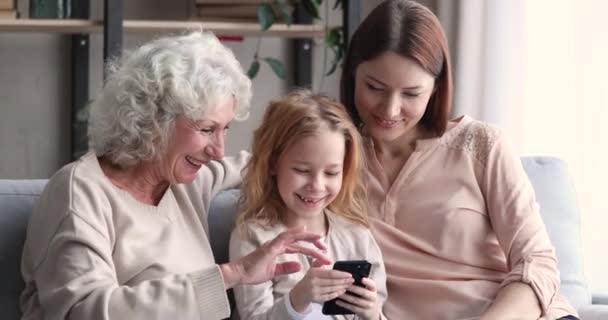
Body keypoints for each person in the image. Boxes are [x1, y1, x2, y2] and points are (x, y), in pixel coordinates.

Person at [19, 32, 331, 320]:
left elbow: (265, 162)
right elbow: (84, 311)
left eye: (225, 129)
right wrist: (232, 274)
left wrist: (335, 164)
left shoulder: (188, 181)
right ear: (153, 121)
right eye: (206, 129)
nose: (219, 150)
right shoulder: (80, 193)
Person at [339, 1, 578, 319]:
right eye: (375, 87)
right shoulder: (330, 159)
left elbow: (537, 264)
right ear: (353, 74)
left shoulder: (481, 145)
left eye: (411, 94)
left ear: (436, 89)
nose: (390, 110)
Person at [229, 89, 387, 320]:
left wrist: (373, 315)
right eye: (302, 170)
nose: (317, 185)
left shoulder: (357, 236)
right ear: (273, 164)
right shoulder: (254, 237)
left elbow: (379, 308)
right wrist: (297, 300)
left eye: (332, 172)